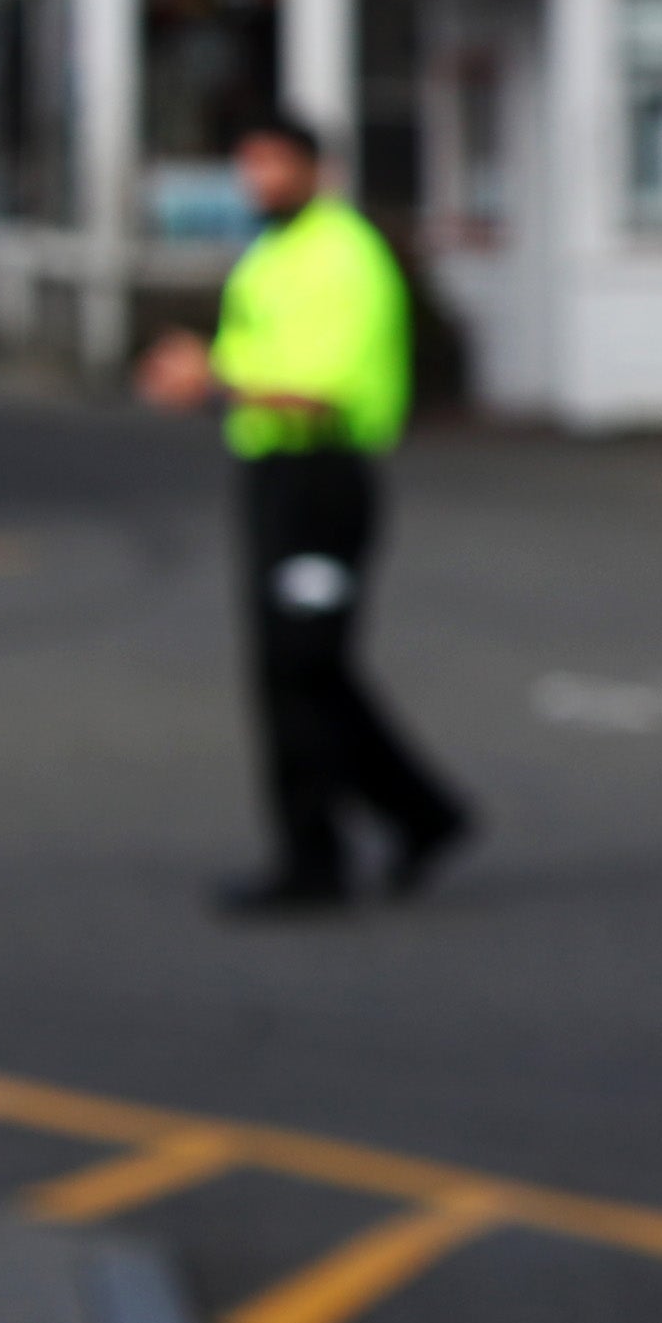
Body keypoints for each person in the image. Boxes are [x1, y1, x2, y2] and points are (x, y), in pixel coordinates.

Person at [134, 112, 471, 917]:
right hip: (272, 472)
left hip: (323, 476)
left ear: (316, 167)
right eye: (248, 162)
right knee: (299, 666)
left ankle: (315, 857)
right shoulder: (272, 252)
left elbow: (320, 386)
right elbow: (258, 359)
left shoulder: (341, 254)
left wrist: (208, 379)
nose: (260, 179)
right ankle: (420, 815)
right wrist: (211, 374)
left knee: (301, 666)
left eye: (276, 162)